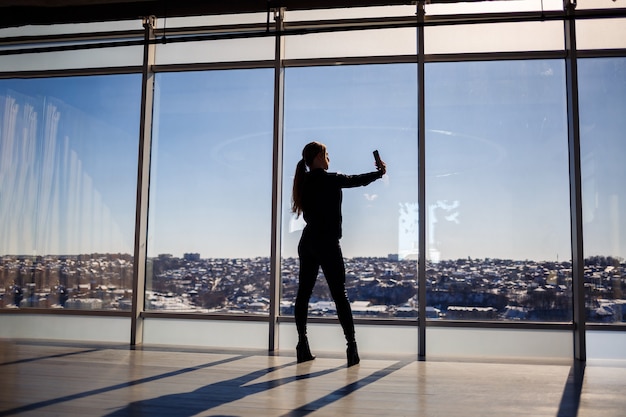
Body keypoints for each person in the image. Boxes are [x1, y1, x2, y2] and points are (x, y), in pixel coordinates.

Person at [291, 141, 386, 366]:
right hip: (327, 243)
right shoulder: (331, 179)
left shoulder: (302, 182)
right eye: (326, 154)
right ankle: (351, 347)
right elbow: (357, 181)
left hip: (308, 242)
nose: (329, 158)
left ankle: (302, 345)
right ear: (316, 157)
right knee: (339, 295)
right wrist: (379, 173)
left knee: (303, 294)